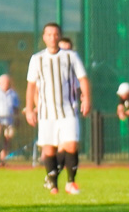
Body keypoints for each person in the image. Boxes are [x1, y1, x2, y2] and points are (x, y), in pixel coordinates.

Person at [25, 23, 90, 195]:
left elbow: (83, 79)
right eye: (49, 34)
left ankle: (71, 182)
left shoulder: (71, 56)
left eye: (56, 34)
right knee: (49, 149)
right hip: (47, 113)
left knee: (71, 145)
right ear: (44, 37)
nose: (52, 37)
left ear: (60, 36)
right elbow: (31, 86)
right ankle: (53, 184)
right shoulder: (37, 59)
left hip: (68, 110)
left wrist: (87, 99)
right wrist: (30, 109)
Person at [55, 37, 81, 177]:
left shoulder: (75, 68)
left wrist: (84, 98)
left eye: (67, 49)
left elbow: (79, 88)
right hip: (51, 112)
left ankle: (68, 180)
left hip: (70, 110)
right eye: (62, 49)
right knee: (60, 146)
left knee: (71, 144)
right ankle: (53, 176)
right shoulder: (47, 65)